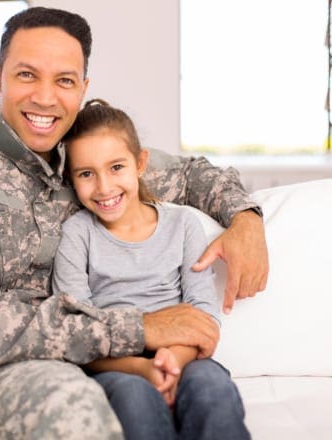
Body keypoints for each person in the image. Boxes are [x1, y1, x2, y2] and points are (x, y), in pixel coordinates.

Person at [0, 6, 266, 439]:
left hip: (3, 376)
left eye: (65, 81)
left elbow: (192, 175)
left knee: (75, 412)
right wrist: (141, 327)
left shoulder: (84, 164)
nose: (45, 97)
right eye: (26, 75)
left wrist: (246, 219)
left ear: (83, 88)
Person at [52, 99, 250, 439]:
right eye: (87, 174)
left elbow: (203, 315)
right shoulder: (77, 233)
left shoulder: (182, 224)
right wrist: (143, 368)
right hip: (117, 364)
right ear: (72, 179)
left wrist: (171, 361)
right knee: (135, 400)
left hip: (184, 356)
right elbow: (75, 328)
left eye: (116, 167)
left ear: (140, 163)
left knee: (212, 391)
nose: (104, 187)